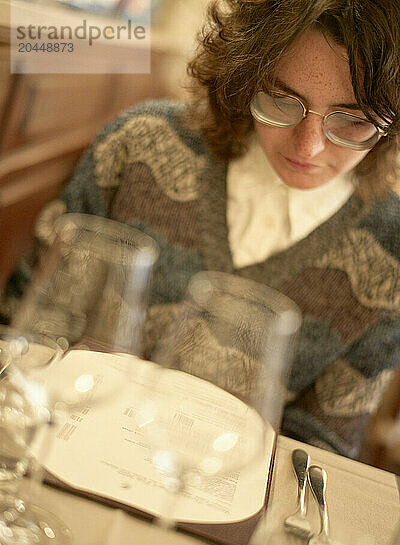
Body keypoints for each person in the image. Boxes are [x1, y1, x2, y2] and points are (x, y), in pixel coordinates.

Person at [6, 0, 400, 458]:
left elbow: (318, 448)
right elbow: (30, 332)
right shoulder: (139, 147)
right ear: (244, 78)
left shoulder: (389, 255)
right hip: (62, 445)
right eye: (281, 99)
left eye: (352, 120)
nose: (309, 147)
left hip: (226, 494)